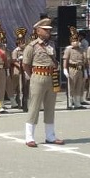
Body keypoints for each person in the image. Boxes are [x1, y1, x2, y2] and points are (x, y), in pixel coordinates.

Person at [22, 18, 64, 147]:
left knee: (50, 107)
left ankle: (50, 136)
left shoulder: (51, 44)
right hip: (38, 77)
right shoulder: (32, 46)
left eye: (49, 30)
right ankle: (29, 137)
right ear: (38, 31)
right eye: (45, 30)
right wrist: (31, 76)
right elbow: (25, 64)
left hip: (52, 77)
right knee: (34, 107)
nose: (48, 32)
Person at [62, 26, 87, 109]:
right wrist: (65, 69)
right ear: (71, 41)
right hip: (72, 69)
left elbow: (84, 61)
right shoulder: (68, 50)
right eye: (73, 41)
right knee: (71, 86)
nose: (75, 42)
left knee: (78, 86)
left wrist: (86, 71)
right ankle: (70, 103)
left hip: (80, 69)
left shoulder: (81, 50)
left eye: (76, 40)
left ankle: (77, 103)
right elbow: (65, 60)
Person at [10, 27, 27, 108]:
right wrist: (20, 66)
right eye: (21, 42)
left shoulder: (26, 50)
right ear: (18, 43)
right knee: (16, 87)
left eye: (24, 42)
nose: (23, 44)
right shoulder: (15, 51)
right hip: (17, 71)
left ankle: (23, 102)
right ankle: (16, 102)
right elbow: (13, 61)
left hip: (24, 70)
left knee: (24, 86)